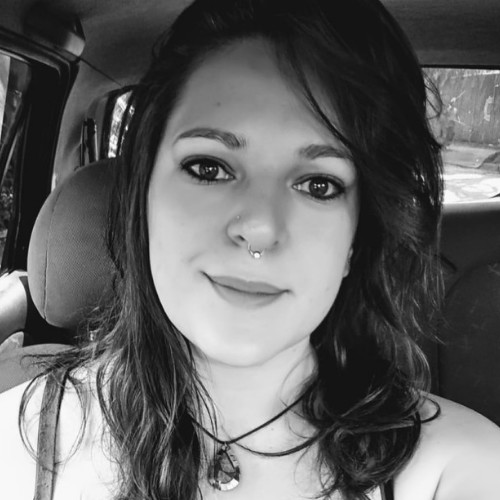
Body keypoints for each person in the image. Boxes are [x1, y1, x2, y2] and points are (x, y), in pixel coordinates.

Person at [1, 0, 500, 499]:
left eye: (319, 185)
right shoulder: (16, 447)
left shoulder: (457, 468)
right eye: (209, 168)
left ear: (357, 240)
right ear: (143, 199)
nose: (259, 228)